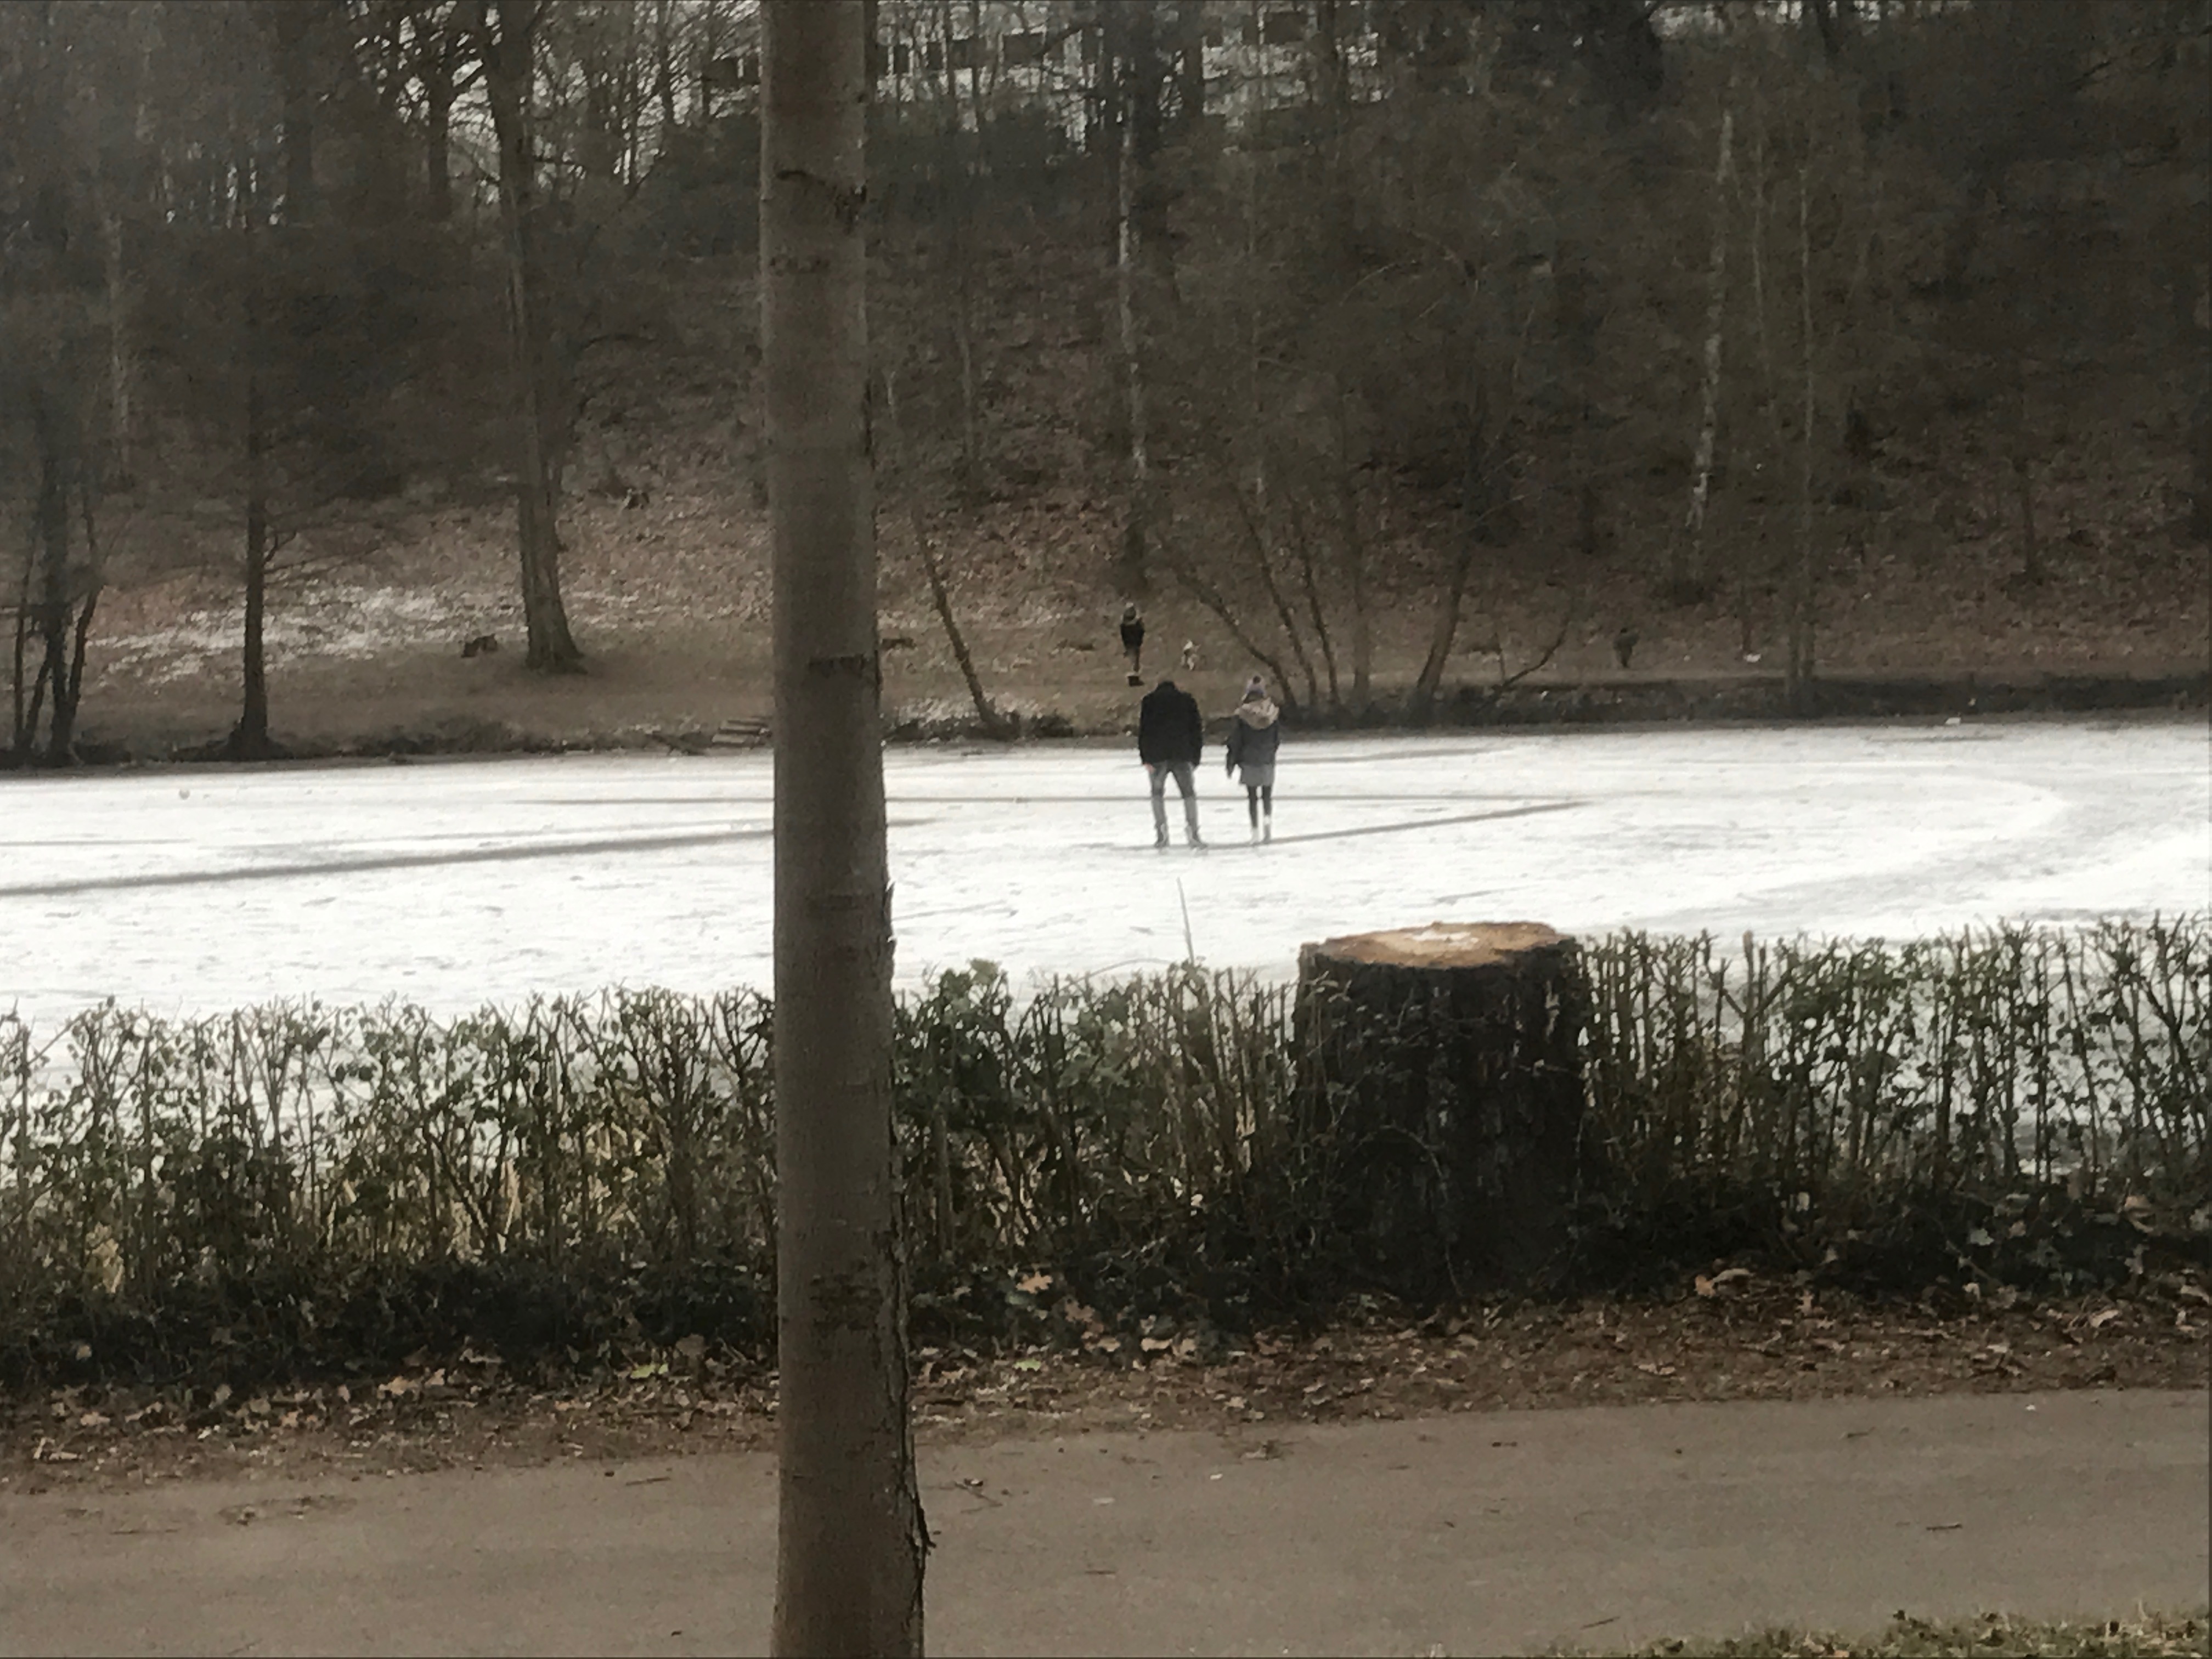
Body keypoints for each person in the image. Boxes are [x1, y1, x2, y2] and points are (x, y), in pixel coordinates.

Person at [1137, 677, 1204, 848]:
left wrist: (1145, 757)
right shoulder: (1187, 701)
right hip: (1182, 754)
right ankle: (1193, 831)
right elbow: (1196, 730)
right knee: (1188, 794)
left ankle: (1162, 832)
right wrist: (1196, 756)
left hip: (1157, 756)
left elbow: (1144, 731)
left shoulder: (1149, 701)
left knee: (1157, 794)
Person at [1224, 674, 1282, 843]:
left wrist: (1231, 762)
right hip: (1267, 759)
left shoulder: (1242, 715)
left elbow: (1236, 741)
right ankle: (1268, 826)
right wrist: (1271, 752)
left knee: (1252, 798)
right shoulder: (1272, 712)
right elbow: (1277, 739)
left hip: (1249, 759)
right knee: (1267, 796)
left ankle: (1255, 832)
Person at [1119, 603, 1146, 684]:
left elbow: (1123, 634)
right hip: (1133, 643)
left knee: (1133, 660)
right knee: (1135, 661)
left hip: (1130, 643)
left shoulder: (1123, 623)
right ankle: (1134, 677)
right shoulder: (1137, 622)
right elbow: (1142, 631)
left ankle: (1134, 677)